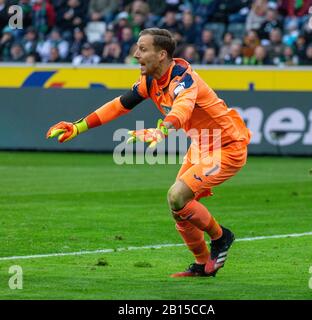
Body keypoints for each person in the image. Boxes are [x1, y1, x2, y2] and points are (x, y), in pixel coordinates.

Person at [46, 28, 251, 278]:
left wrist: (163, 130)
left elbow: (182, 110)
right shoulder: (150, 81)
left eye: (142, 49)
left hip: (227, 147)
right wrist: (78, 126)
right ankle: (201, 264)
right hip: (201, 145)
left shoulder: (184, 81)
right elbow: (119, 105)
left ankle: (221, 237)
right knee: (178, 207)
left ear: (161, 54)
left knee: (177, 196)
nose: (135, 55)